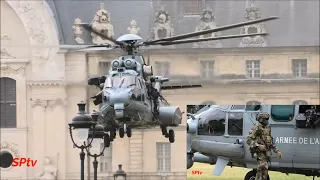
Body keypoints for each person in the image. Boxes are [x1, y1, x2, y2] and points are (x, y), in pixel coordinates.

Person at [246, 112, 283, 180]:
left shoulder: (267, 128)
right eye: (265, 119)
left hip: (266, 151)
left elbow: (270, 141)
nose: (267, 120)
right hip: (259, 151)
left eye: (267, 119)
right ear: (261, 119)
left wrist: (277, 151)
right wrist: (258, 146)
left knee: (264, 170)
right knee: (263, 167)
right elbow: (248, 140)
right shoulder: (256, 127)